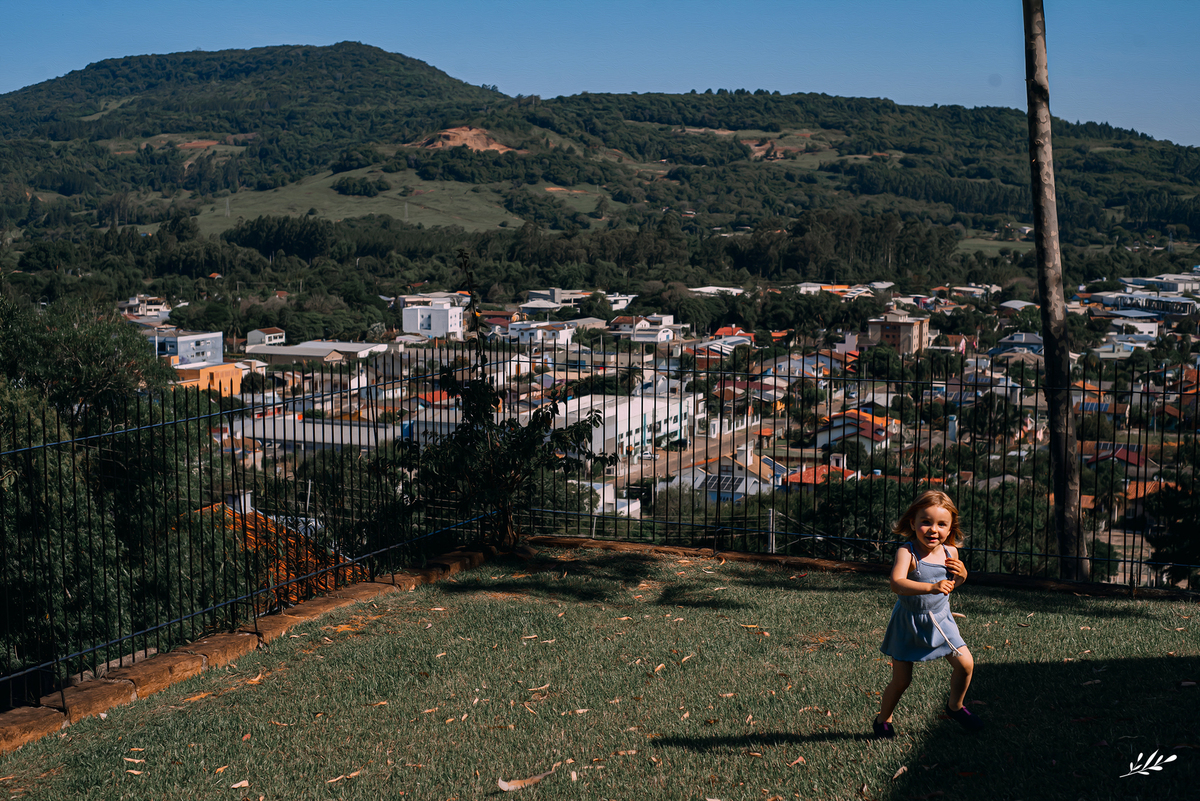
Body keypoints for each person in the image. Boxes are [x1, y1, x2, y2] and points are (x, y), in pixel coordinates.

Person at [873, 490, 983, 738]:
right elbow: (896, 583)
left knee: (966, 664)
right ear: (912, 523)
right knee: (902, 681)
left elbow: (951, 585)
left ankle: (955, 706)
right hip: (908, 622)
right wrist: (930, 587)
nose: (933, 530)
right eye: (926, 522)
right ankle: (883, 720)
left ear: (950, 526)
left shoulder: (950, 553)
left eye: (941, 524)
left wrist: (963, 575)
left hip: (940, 620)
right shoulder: (908, 552)